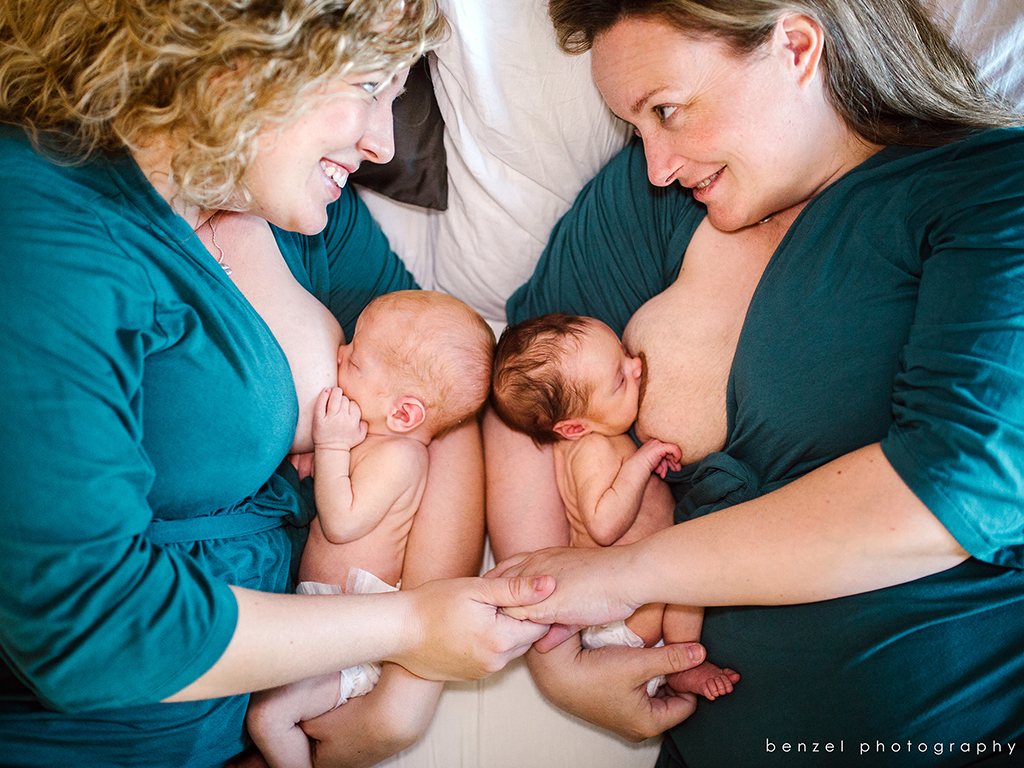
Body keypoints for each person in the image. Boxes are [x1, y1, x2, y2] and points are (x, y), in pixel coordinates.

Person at [0, 1, 554, 766]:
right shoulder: (44, 224)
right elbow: (88, 627)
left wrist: (406, 692)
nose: (383, 141)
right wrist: (409, 628)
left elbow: (443, 390)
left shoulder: (297, 211)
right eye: (367, 84)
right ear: (240, 58)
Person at [483, 0, 1024, 766]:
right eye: (636, 127)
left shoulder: (992, 191)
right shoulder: (653, 202)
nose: (656, 161)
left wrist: (612, 576)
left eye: (667, 110)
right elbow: (522, 396)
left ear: (797, 47)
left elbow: (953, 489)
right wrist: (554, 640)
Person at [246, 289, 495, 768]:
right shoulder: (381, 441)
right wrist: (323, 457)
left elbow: (342, 524)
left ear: (403, 413)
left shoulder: (402, 457)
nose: (339, 355)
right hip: (329, 623)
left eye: (354, 361)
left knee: (268, 716)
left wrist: (331, 444)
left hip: (350, 644)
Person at [490, 312, 738, 701]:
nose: (637, 367)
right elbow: (604, 524)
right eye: (620, 379)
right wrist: (641, 463)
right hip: (624, 610)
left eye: (624, 353)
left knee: (686, 572)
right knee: (691, 577)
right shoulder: (590, 449)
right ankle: (683, 664)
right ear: (574, 427)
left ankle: (676, 663)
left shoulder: (594, 436)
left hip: (627, 598)